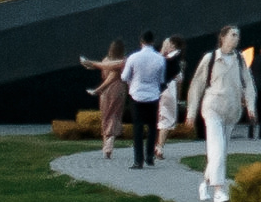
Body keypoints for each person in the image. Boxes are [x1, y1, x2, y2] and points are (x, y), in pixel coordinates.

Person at [188, 25, 258, 202]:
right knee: (217, 147)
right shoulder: (210, 58)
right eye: (233, 35)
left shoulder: (240, 59)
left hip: (232, 110)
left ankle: (205, 183)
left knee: (220, 151)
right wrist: (191, 112)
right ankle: (219, 190)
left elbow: (248, 84)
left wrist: (251, 107)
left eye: (238, 35)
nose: (236, 38)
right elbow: (197, 85)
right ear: (223, 37)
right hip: (212, 107)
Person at [117, 31, 166, 169]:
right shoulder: (160, 58)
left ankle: (138, 160)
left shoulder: (133, 57)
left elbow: (124, 77)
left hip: (136, 95)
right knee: (152, 127)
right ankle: (150, 156)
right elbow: (161, 79)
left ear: (141, 41)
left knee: (138, 128)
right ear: (153, 41)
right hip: (153, 96)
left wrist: (132, 81)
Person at [77, 40, 128, 161]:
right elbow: (113, 77)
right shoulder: (123, 61)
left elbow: (107, 75)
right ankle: (109, 142)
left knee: (105, 116)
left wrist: (99, 90)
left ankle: (106, 146)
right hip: (118, 89)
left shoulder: (105, 60)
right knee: (115, 115)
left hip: (106, 92)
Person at [152, 37, 184, 163]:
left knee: (161, 118)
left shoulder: (161, 59)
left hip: (158, 90)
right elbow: (179, 78)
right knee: (167, 119)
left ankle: (156, 146)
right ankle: (159, 147)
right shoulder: (172, 59)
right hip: (168, 90)